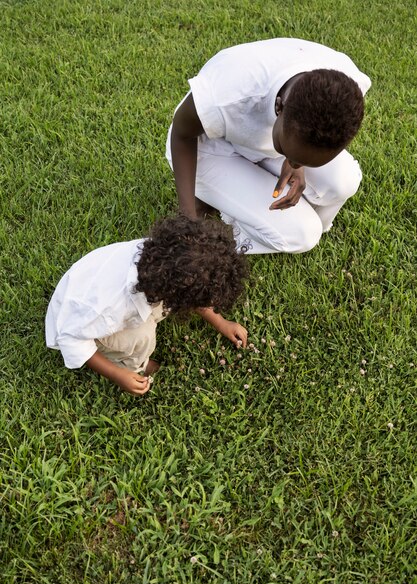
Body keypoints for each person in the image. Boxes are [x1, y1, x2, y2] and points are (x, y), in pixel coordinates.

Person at [167, 38, 371, 254]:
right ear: (280, 106)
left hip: (264, 144)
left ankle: (266, 210)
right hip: (211, 150)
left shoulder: (347, 86)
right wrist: (188, 219)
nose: (293, 163)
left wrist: (296, 163)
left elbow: (302, 143)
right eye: (289, 153)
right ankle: (229, 221)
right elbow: (182, 135)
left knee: (344, 182)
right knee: (302, 235)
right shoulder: (229, 92)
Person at [45, 216, 248, 396]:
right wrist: (118, 375)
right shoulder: (109, 308)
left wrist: (220, 322)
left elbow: (193, 281)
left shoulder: (165, 259)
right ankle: (134, 365)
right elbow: (70, 338)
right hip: (77, 322)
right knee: (142, 336)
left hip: (94, 288)